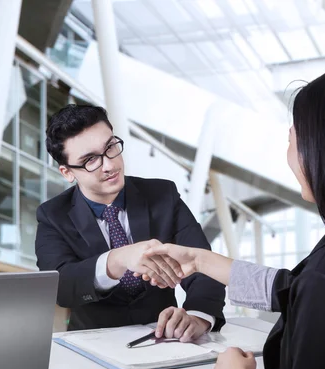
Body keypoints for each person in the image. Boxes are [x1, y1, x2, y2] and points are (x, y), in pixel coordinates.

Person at [146, 64, 325, 369]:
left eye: (292, 139)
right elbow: (294, 288)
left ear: (323, 151)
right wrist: (199, 260)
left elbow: (316, 291)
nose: (288, 154)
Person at [35, 105, 226, 341]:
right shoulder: (53, 215)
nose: (109, 165)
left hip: (167, 340)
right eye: (90, 160)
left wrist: (197, 316)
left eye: (110, 148)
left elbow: (202, 263)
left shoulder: (163, 196)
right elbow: (61, 287)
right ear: (67, 172)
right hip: (94, 346)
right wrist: (119, 259)